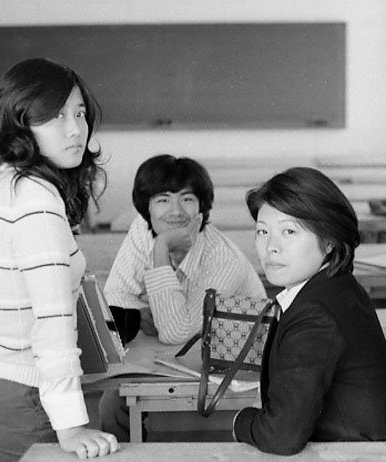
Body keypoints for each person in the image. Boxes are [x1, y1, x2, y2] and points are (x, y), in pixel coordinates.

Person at [0, 58, 119, 462]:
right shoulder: (35, 202)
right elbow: (52, 324)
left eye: (79, 113)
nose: (76, 130)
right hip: (20, 389)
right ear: (20, 122)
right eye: (56, 117)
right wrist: (71, 426)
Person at [232, 167, 386, 455]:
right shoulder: (337, 286)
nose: (271, 247)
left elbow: (280, 436)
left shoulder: (315, 313)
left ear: (329, 241)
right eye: (262, 231)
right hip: (364, 458)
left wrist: (240, 421)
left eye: (289, 231)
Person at [99, 154, 265, 441]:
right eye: (163, 200)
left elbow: (174, 332)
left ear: (202, 208)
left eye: (187, 199)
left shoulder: (223, 259)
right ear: (147, 208)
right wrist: (142, 314)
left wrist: (161, 248)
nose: (175, 211)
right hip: (175, 357)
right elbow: (115, 297)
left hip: (231, 366)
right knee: (112, 403)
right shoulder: (141, 229)